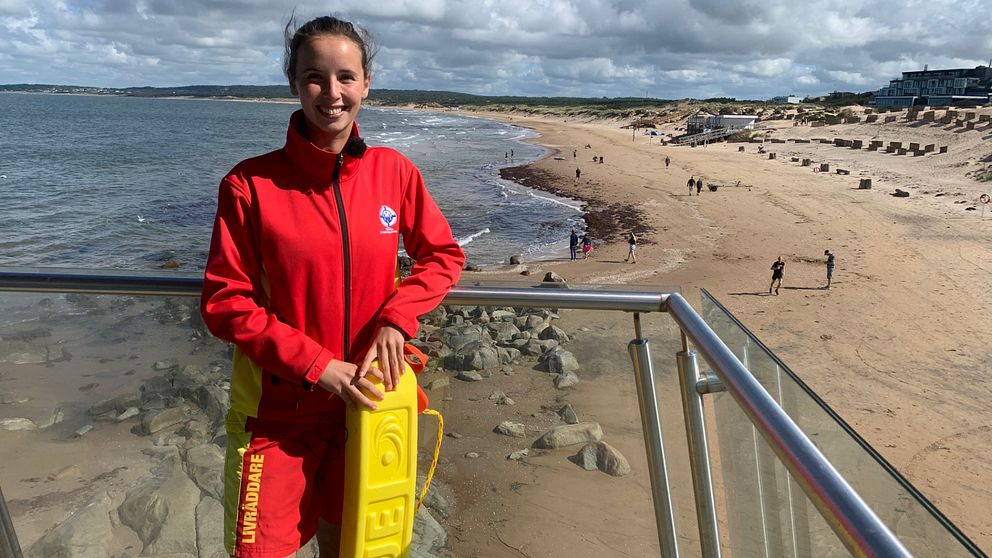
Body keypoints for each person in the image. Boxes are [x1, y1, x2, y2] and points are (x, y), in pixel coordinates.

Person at [199, 15, 465, 558]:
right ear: (294, 84)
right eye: (315, 76)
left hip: (369, 406)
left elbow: (442, 255)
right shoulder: (250, 183)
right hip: (278, 418)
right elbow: (226, 303)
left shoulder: (395, 172)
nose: (332, 92)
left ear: (366, 84)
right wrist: (319, 367)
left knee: (357, 548)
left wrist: (398, 317)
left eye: (346, 76)